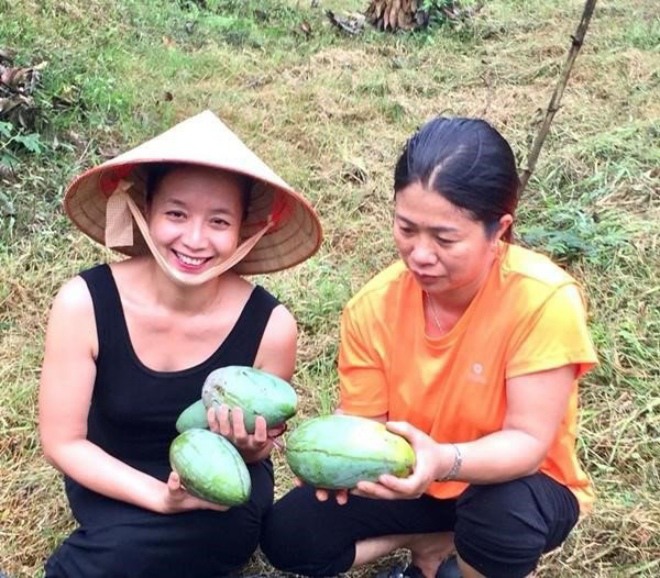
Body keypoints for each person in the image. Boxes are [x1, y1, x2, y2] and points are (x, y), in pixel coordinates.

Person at [260, 116, 597, 578]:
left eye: (444, 237)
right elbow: (367, 425)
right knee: (292, 532)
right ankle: (429, 540)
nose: (419, 253)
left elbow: (528, 443)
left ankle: (467, 560)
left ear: (498, 229)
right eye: (406, 228)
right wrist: (336, 461)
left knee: (502, 514)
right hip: (414, 480)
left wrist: (444, 460)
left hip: (515, 481)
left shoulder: (542, 299)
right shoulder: (372, 308)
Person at [38, 110, 322, 578]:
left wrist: (249, 449)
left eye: (218, 221)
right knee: (123, 552)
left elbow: (256, 453)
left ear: (245, 230)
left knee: (156, 547)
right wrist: (159, 498)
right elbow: (63, 442)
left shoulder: (271, 326)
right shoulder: (83, 303)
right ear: (145, 209)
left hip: (218, 492)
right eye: (176, 213)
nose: (194, 239)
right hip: (110, 474)